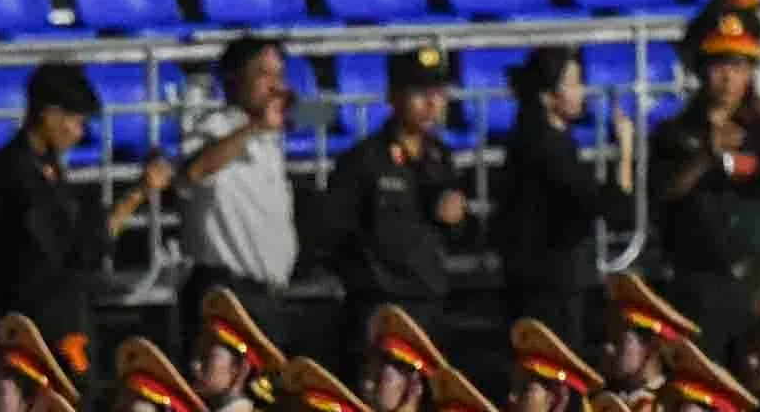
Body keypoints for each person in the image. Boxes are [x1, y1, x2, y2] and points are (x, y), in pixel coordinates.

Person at [0, 64, 172, 389]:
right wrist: (137, 195)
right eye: (76, 121)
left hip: (54, 318)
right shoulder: (20, 174)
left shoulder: (45, 166)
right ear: (50, 115)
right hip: (39, 325)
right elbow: (71, 251)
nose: (79, 134)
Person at [649, 10, 760, 348]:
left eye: (738, 67)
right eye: (719, 67)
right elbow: (663, 191)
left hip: (759, 283)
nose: (728, 79)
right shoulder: (674, 133)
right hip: (701, 286)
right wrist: (707, 154)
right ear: (702, 71)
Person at [315, 48, 470, 350]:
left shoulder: (441, 158)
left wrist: (456, 221)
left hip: (429, 302)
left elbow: (455, 236)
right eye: (419, 92)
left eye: (438, 92)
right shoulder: (364, 161)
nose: (431, 103)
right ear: (393, 96)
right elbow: (331, 234)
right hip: (379, 305)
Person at [491, 46, 637, 337]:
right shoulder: (546, 146)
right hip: (549, 283)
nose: (581, 91)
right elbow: (606, 204)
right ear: (547, 96)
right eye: (572, 84)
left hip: (541, 277)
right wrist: (625, 151)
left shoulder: (538, 137)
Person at [176, 35, 300, 354]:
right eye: (263, 74)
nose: (275, 86)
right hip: (223, 293)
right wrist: (255, 127)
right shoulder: (211, 126)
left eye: (279, 75)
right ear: (234, 80)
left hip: (268, 296)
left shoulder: (271, 135)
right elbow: (195, 172)